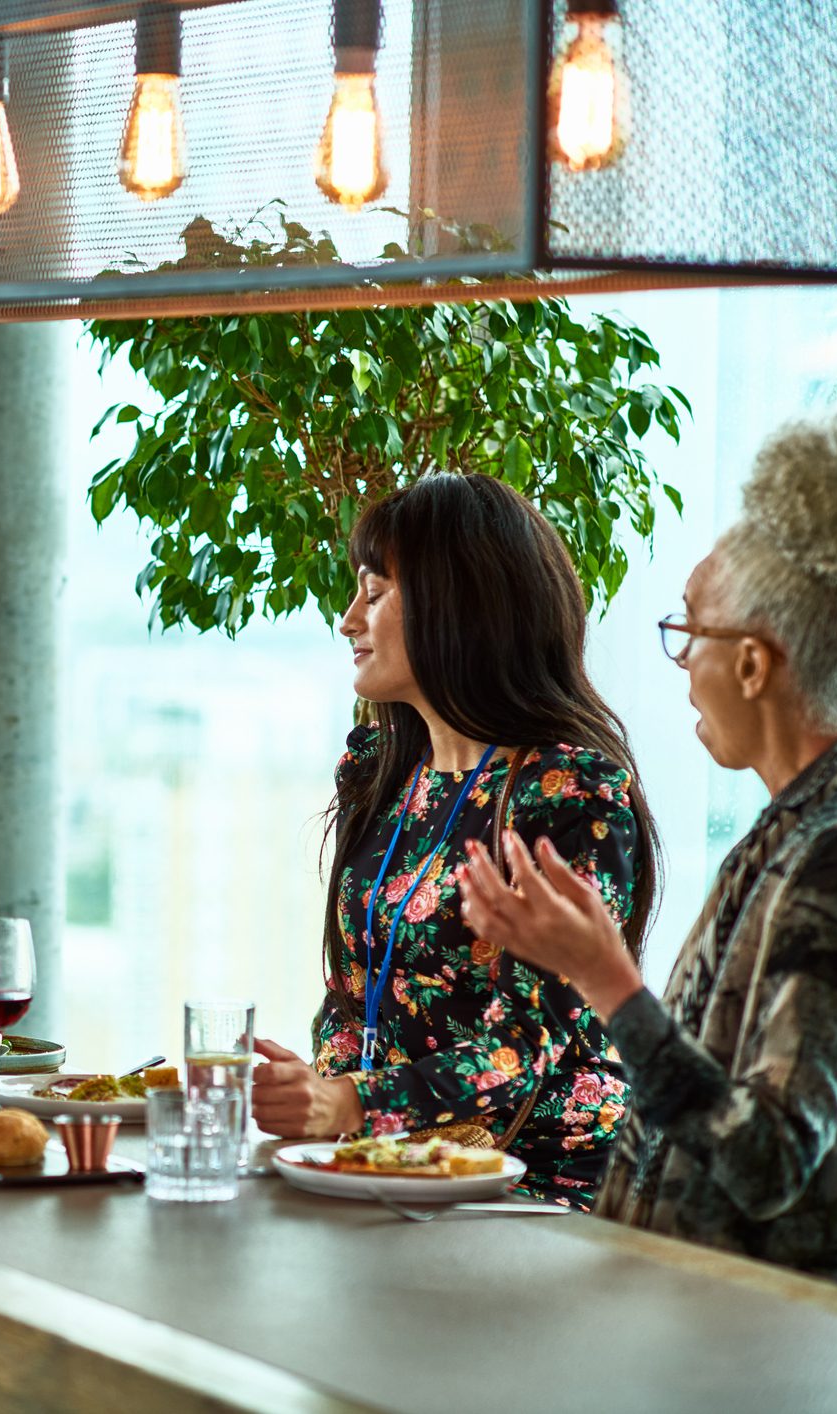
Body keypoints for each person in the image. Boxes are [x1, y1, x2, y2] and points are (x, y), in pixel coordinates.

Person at [459, 409, 837, 1316]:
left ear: (749, 667)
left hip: (816, 1368)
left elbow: (764, 1158)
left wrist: (604, 978)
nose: (679, 660)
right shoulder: (805, 831)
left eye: (687, 629)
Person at [250, 473, 658, 1209]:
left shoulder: (570, 793)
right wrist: (317, 1089)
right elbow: (352, 996)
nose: (348, 620)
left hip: (541, 1194)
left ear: (456, 607)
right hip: (393, 1169)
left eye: (373, 595)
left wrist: (350, 1103)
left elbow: (529, 1042)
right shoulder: (380, 773)